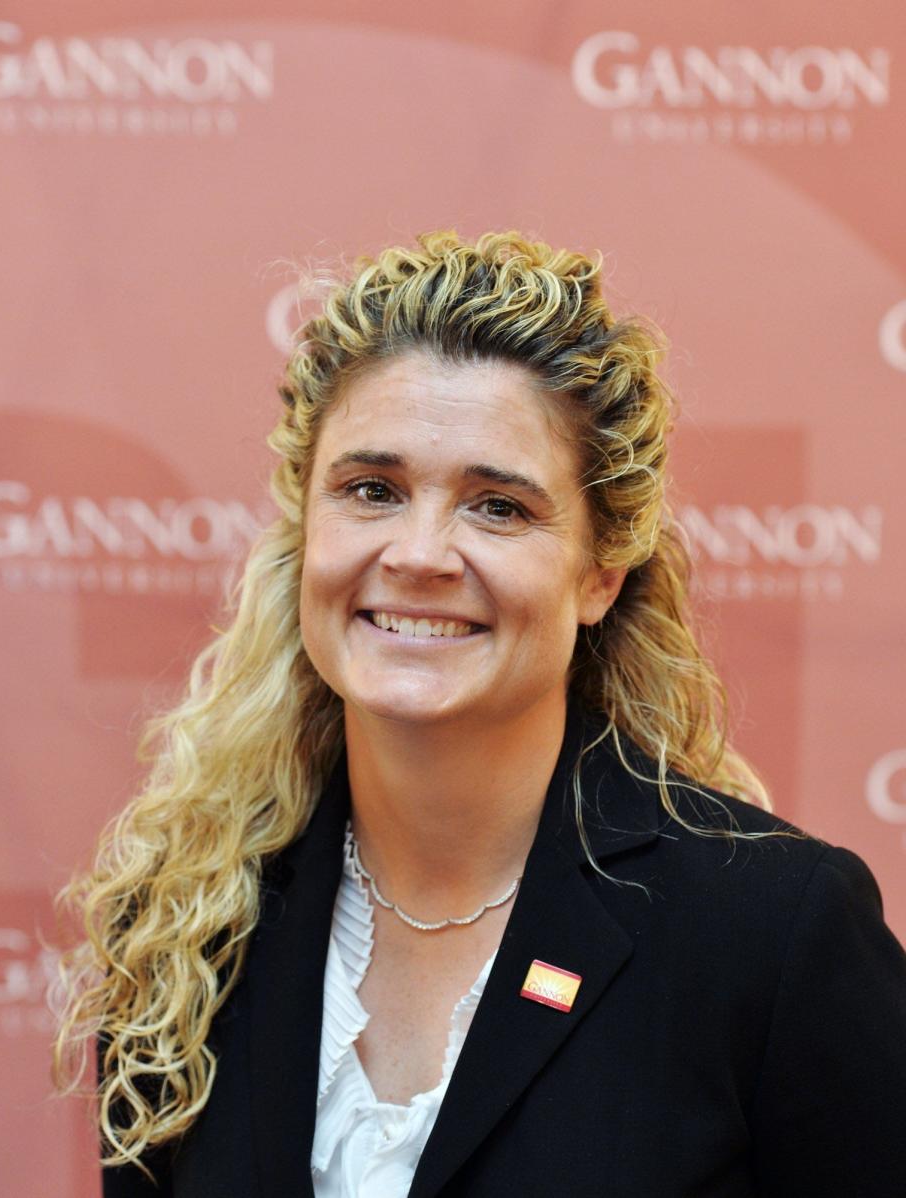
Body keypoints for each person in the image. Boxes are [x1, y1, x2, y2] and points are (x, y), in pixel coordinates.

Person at [54, 230, 906, 1197]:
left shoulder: (774, 936)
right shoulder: (183, 923)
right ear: (306, 526)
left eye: (497, 507)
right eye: (371, 491)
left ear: (600, 571)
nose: (419, 553)